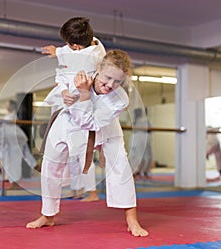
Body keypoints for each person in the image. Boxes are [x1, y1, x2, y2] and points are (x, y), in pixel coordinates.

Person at [26, 50, 148, 237]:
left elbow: (90, 123)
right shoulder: (82, 74)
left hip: (104, 129)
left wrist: (83, 94)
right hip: (67, 123)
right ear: (98, 68)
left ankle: (132, 219)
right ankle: (48, 215)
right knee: (51, 164)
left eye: (117, 81)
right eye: (107, 77)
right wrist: (65, 92)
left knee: (120, 166)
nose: (110, 85)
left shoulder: (120, 98)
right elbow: (61, 77)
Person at [41, 16, 105, 200]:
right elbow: (60, 75)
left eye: (68, 44)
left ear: (76, 46)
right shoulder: (86, 45)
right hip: (66, 104)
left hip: (83, 107)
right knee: (71, 152)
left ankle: (91, 191)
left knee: (84, 150)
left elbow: (73, 58)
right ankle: (77, 189)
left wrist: (58, 52)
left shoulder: (94, 56)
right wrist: (62, 91)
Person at [0, 99, 38, 190]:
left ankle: (16, 183)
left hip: (16, 139)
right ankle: (37, 166)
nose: (6, 106)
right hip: (13, 139)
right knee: (25, 156)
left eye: (7, 104)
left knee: (15, 161)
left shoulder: (13, 115)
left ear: (12, 106)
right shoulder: (8, 116)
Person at [129, 108, 153, 179]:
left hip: (144, 139)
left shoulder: (147, 122)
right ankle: (135, 171)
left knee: (146, 156)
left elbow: (150, 130)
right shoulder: (134, 121)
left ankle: (143, 171)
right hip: (136, 139)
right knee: (134, 156)